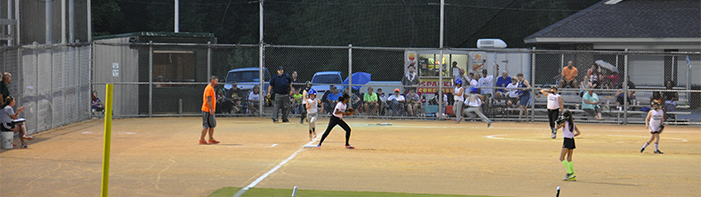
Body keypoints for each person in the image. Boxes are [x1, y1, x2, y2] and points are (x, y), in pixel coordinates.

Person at [556, 110, 581, 181]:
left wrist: (557, 123)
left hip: (567, 140)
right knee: (569, 158)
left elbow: (557, 128)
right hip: (572, 140)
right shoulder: (573, 123)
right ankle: (573, 175)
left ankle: (570, 173)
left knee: (561, 158)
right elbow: (578, 132)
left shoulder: (565, 123)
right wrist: (572, 135)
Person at [199, 75, 220, 145]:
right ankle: (201, 139)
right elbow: (208, 99)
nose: (217, 82)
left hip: (211, 110)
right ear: (212, 81)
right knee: (206, 126)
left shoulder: (212, 88)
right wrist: (211, 109)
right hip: (207, 110)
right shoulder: (209, 88)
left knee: (212, 125)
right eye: (215, 81)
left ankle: (211, 138)